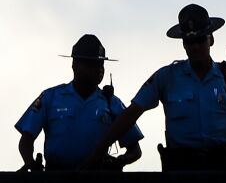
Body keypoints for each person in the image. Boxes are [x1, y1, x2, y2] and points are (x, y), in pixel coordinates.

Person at [85, 4, 226, 171]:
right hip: (180, 173)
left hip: (223, 170)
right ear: (183, 44)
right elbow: (131, 113)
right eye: (189, 42)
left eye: (200, 40)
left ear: (211, 39)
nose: (195, 47)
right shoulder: (166, 77)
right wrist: (100, 150)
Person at [16, 34, 143, 171]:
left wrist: (119, 162)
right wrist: (31, 164)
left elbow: (135, 150)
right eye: (91, 64)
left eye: (101, 64)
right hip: (56, 180)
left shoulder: (112, 102)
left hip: (97, 181)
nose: (98, 70)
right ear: (74, 65)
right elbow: (26, 141)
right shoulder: (50, 96)